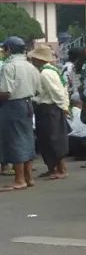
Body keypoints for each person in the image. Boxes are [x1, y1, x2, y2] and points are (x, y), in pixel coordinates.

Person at [0, 37, 42, 191]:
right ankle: (28, 177)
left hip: (12, 105)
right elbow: (38, 88)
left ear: (9, 49)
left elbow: (5, 92)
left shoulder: (9, 66)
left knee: (15, 140)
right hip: (28, 103)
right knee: (27, 138)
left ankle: (19, 179)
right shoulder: (30, 66)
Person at [27, 45, 71, 180]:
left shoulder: (46, 73)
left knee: (54, 139)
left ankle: (61, 168)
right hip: (47, 107)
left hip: (50, 108)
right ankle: (52, 168)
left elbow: (56, 92)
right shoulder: (50, 70)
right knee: (46, 138)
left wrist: (64, 107)